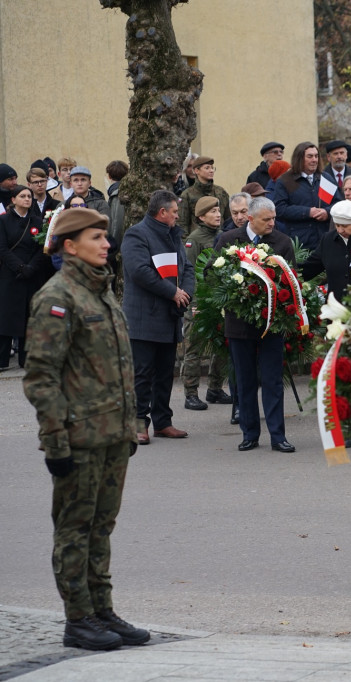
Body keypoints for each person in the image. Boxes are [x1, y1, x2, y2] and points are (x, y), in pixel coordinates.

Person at [22, 208, 149, 651]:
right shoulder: (58, 298)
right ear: (70, 245)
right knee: (75, 529)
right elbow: (41, 377)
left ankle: (101, 609)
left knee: (102, 527)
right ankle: (78, 619)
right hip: (78, 437)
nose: (106, 244)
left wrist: (130, 427)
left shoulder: (101, 292)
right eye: (97, 237)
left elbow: (117, 367)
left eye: (105, 237)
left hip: (113, 434)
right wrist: (55, 442)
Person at [214, 196, 297, 453]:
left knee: (272, 380)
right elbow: (213, 272)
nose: (272, 223)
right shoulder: (229, 240)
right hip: (238, 324)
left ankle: (277, 436)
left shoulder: (281, 242)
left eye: (274, 218)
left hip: (271, 323)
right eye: (267, 219)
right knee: (245, 379)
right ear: (250, 219)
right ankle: (249, 433)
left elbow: (291, 278)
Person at [122, 190, 194, 444]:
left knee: (165, 372)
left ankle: (163, 422)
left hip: (169, 315)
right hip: (144, 317)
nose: (177, 215)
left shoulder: (174, 235)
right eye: (174, 211)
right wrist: (172, 292)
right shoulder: (136, 234)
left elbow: (187, 268)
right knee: (142, 373)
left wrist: (185, 293)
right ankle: (138, 423)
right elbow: (139, 271)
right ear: (162, 212)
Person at [180, 196, 232, 411]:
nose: (218, 214)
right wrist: (194, 302)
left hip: (218, 300)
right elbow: (189, 272)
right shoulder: (194, 239)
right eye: (212, 211)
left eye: (219, 210)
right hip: (199, 301)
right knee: (194, 348)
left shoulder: (222, 236)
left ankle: (214, 388)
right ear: (201, 216)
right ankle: (191, 393)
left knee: (220, 347)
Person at [0, 185, 54, 368]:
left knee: (29, 316)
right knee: (7, 316)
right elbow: (2, 249)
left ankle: (27, 358)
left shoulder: (38, 221)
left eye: (29, 196)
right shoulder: (3, 221)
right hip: (10, 274)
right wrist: (20, 267)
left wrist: (30, 267)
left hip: (32, 274)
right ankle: (2, 359)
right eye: (22, 196)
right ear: (13, 200)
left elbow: (42, 249)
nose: (27, 199)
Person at [271, 142, 338, 255]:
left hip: (325, 239)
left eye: (316, 156)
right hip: (300, 243)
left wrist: (327, 212)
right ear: (299, 158)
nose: (314, 160)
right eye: (310, 156)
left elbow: (338, 203)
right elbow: (279, 209)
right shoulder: (285, 181)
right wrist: (307, 212)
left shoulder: (325, 178)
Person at [177, 156, 230, 237]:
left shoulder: (221, 192)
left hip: (220, 238)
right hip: (198, 240)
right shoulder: (187, 194)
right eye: (207, 168)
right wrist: (187, 243)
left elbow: (228, 219)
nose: (211, 171)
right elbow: (182, 223)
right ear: (196, 170)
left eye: (212, 168)